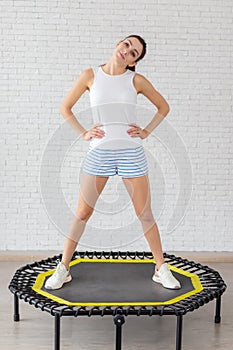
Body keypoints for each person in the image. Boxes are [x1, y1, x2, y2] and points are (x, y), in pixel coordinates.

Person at [45, 34, 181, 290]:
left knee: (145, 214)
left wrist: (147, 131)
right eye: (127, 45)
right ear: (118, 43)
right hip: (100, 153)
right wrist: (84, 133)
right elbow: (65, 107)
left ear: (134, 62)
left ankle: (161, 268)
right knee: (83, 212)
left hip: (131, 153)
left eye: (134, 53)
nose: (127, 51)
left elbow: (163, 107)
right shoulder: (90, 76)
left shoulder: (136, 80)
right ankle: (64, 268)